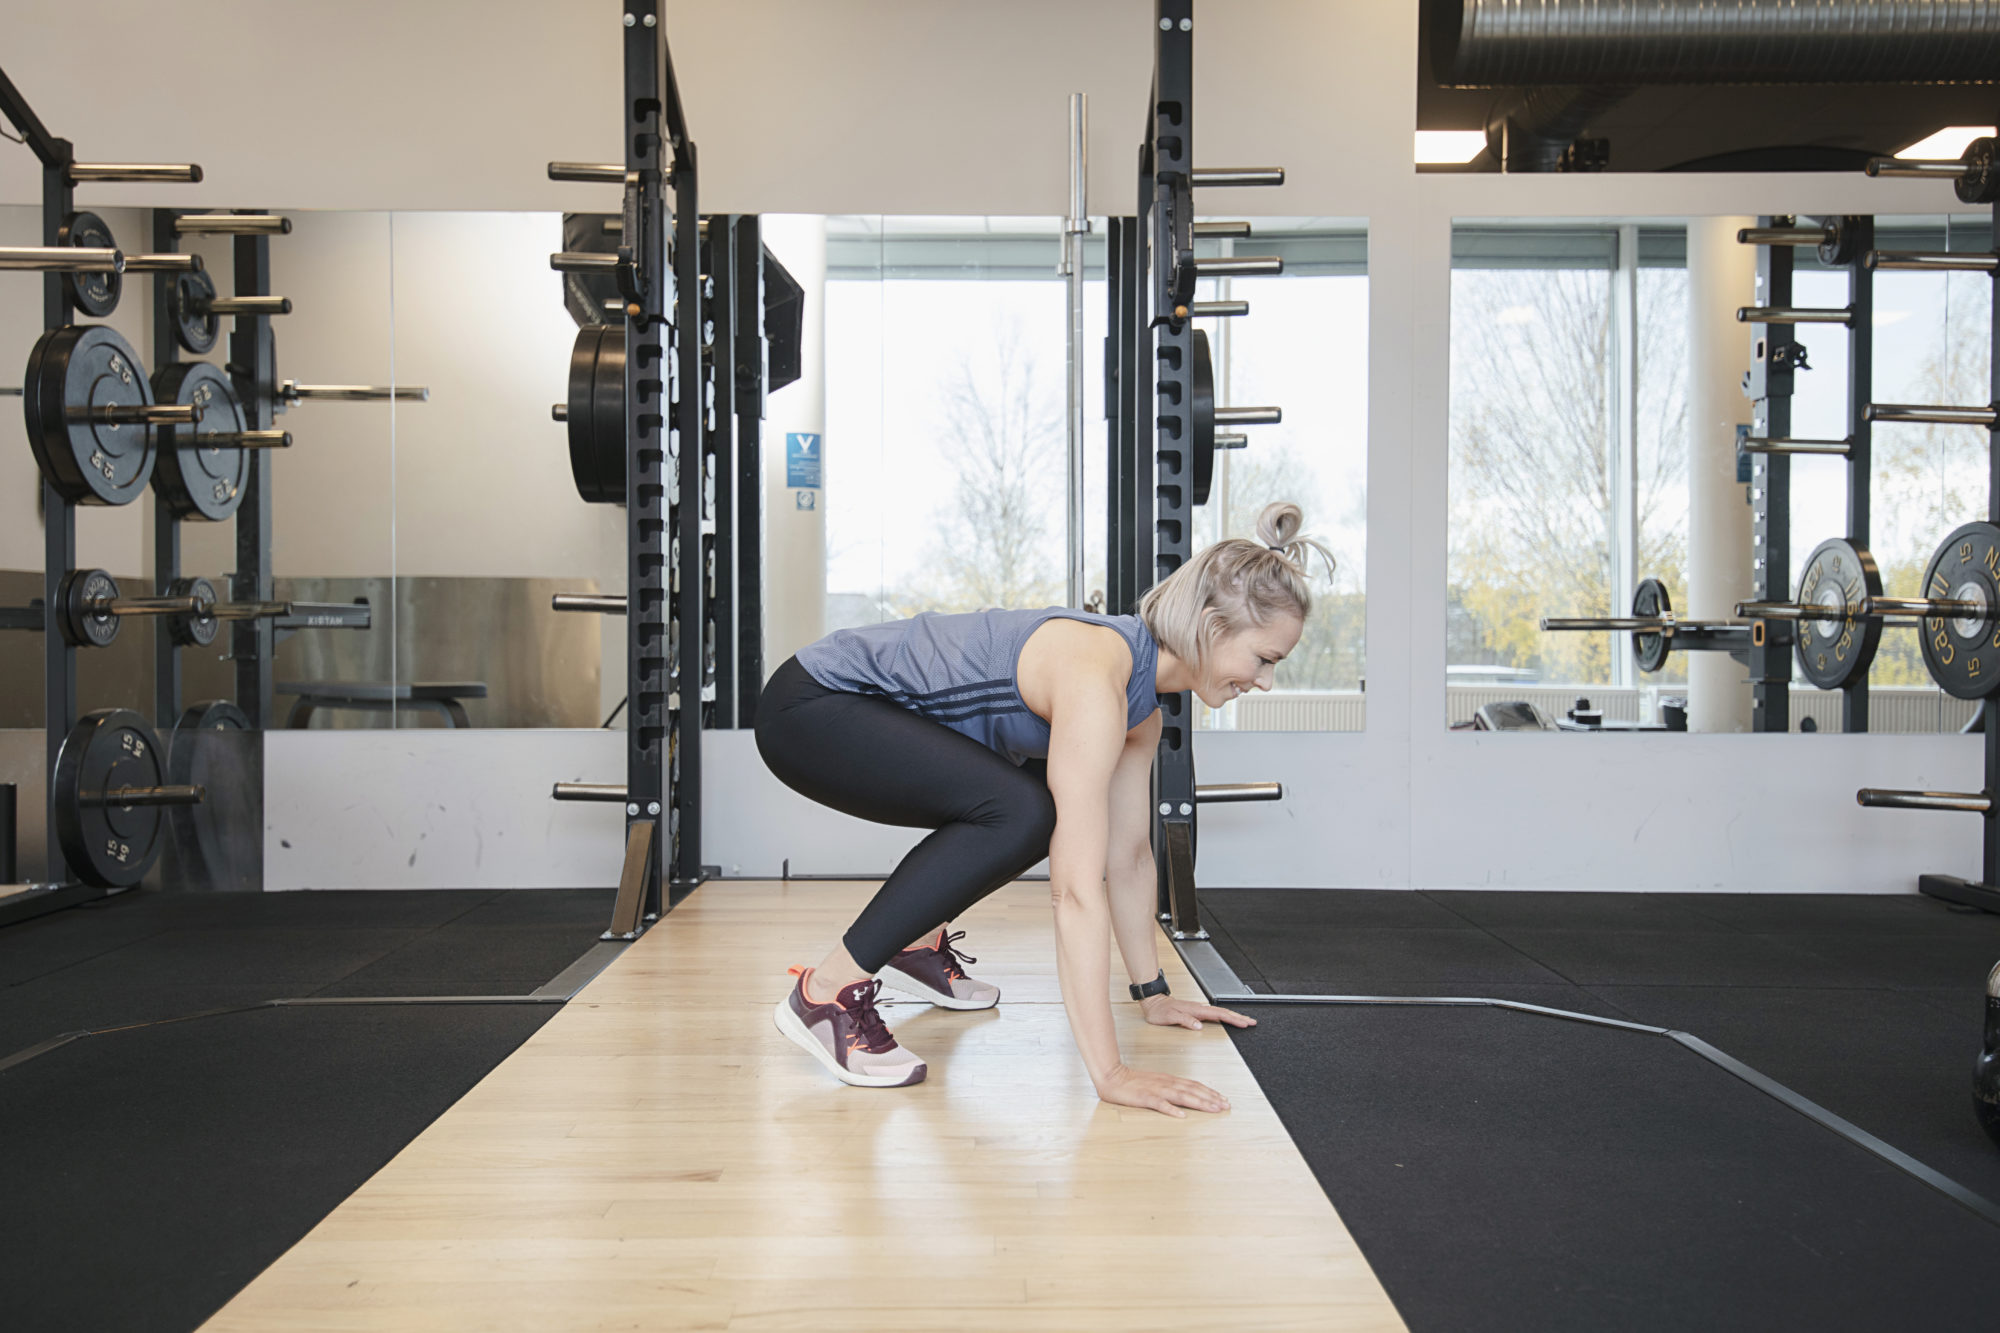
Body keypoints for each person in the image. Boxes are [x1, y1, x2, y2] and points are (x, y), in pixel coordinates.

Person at [755, 501, 1333, 1118]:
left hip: (855, 713)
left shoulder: (1138, 710)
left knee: (1033, 805)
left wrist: (1153, 994)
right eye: (1265, 659)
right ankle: (825, 994)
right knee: (1023, 811)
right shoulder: (1096, 676)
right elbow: (1075, 892)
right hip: (812, 706)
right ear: (1213, 628)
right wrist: (1111, 1073)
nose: (1265, 682)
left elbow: (1129, 856)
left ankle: (914, 945)